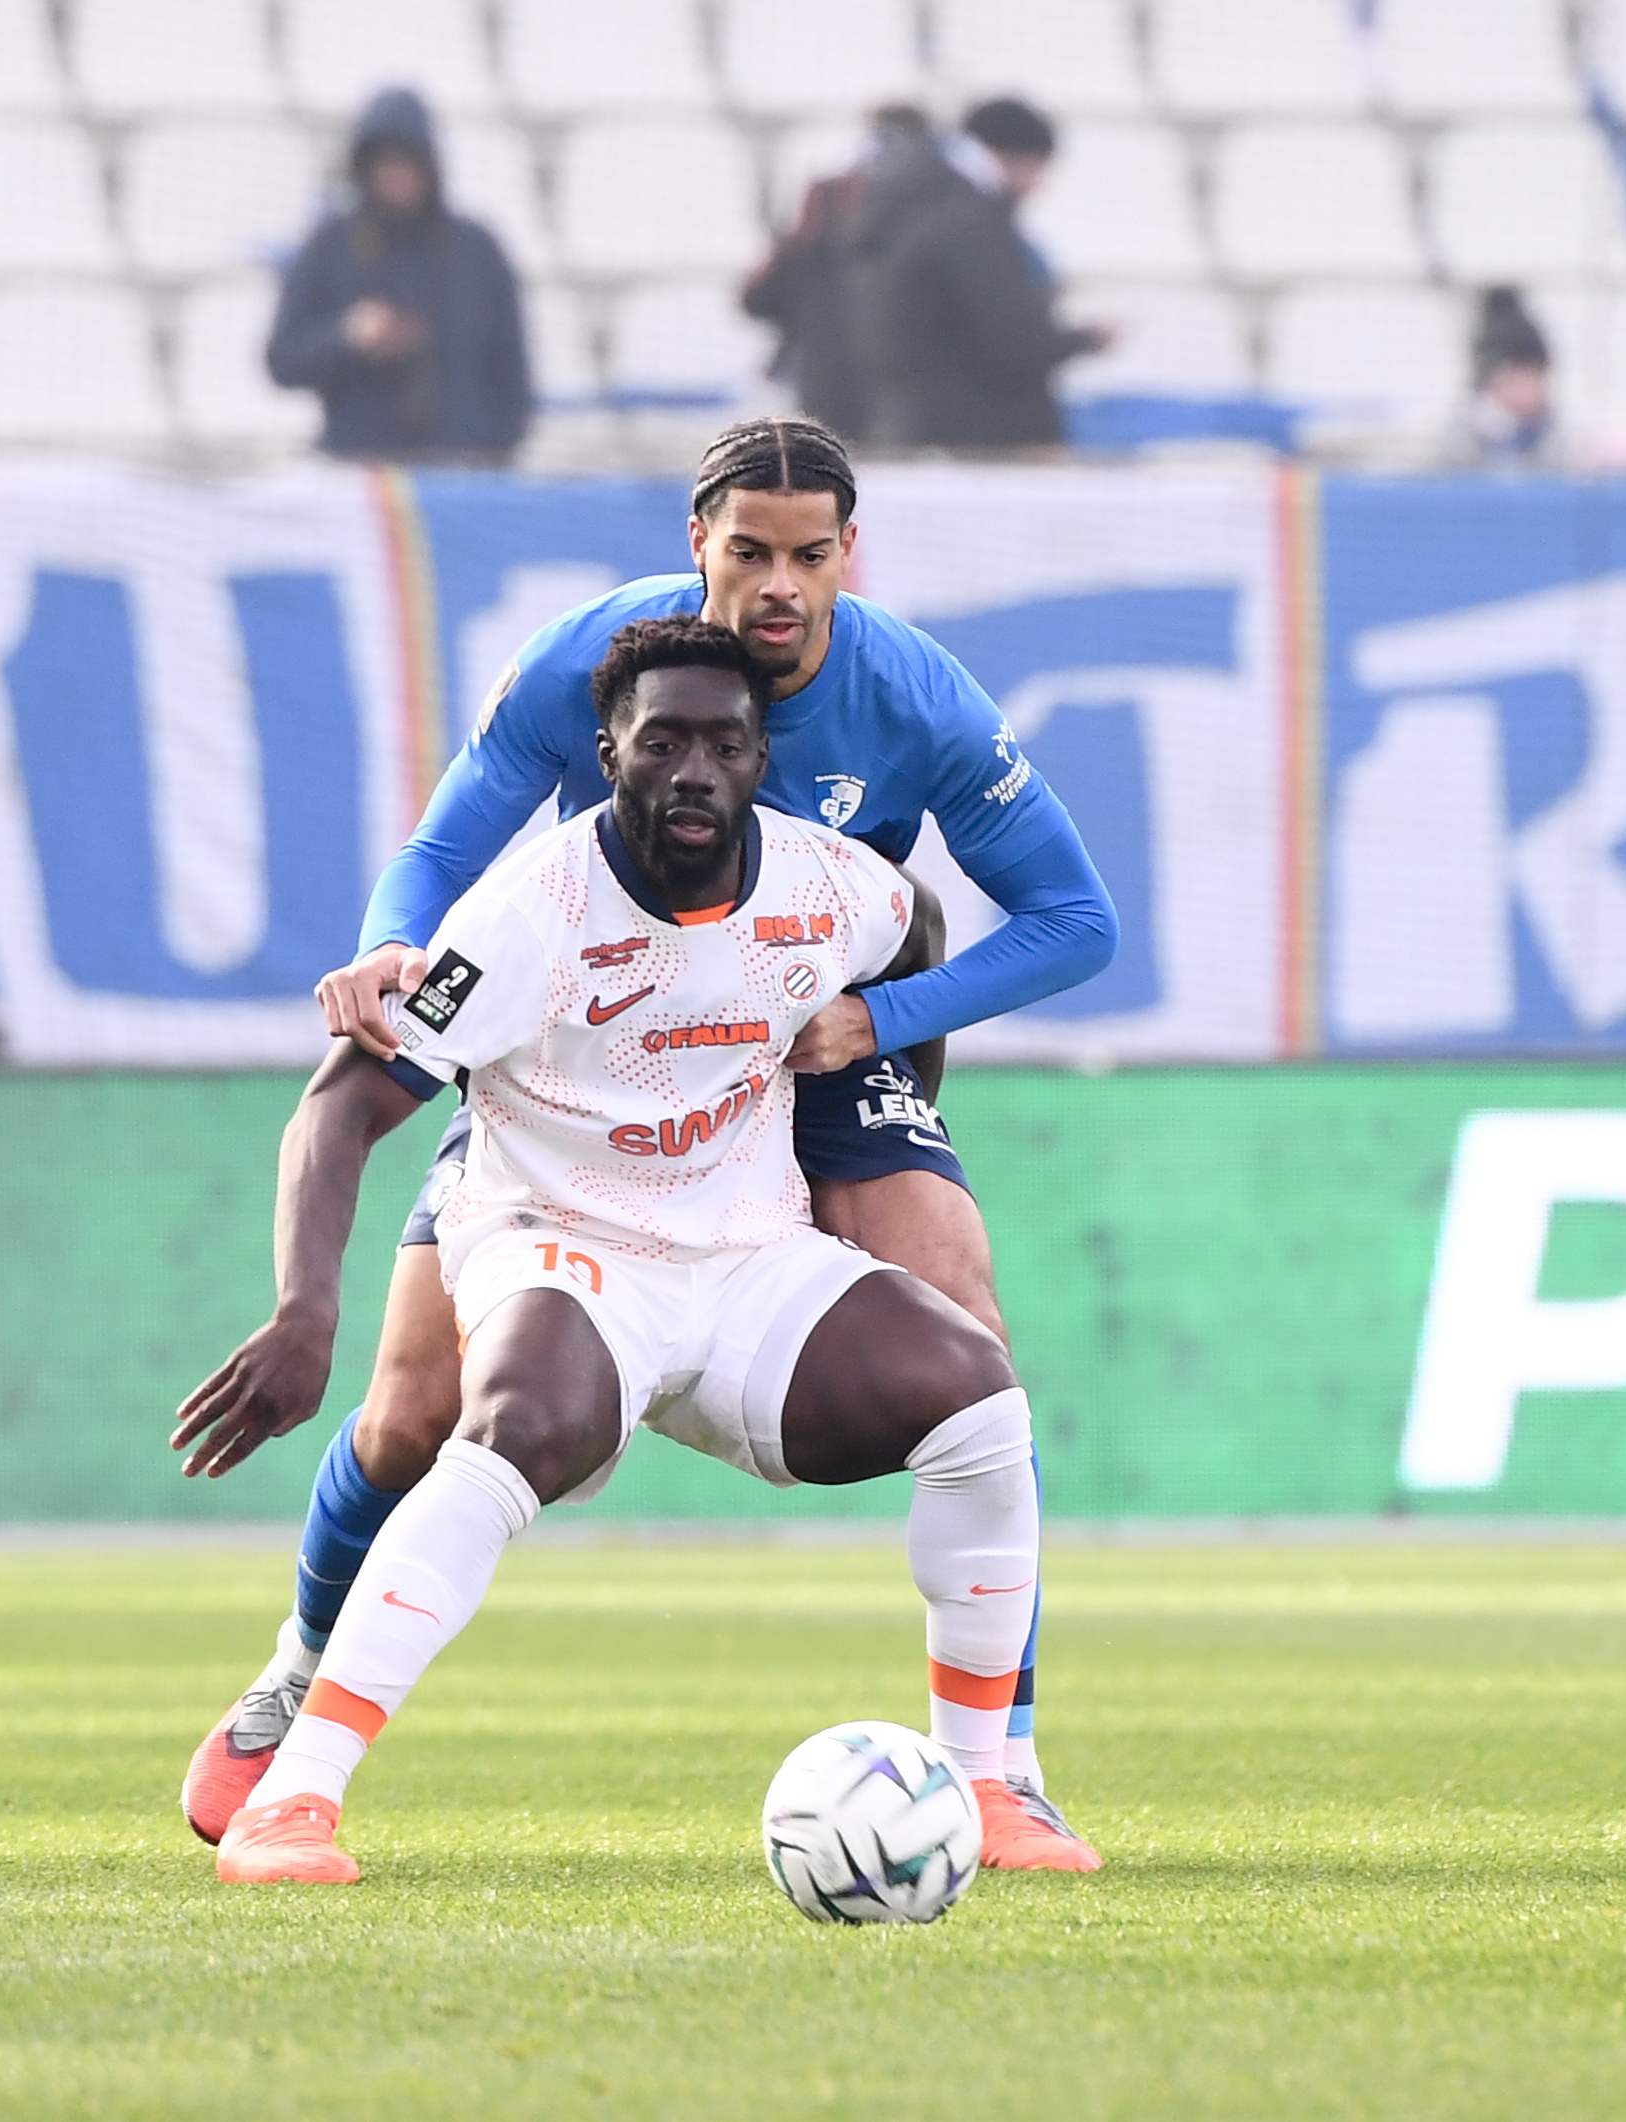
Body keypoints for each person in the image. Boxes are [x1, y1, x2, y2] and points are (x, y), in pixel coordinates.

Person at [168, 416, 1116, 1866]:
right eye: (749, 552)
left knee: (966, 1343)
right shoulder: (579, 702)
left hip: (797, 1039)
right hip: (573, 1062)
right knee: (417, 1415)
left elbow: (1056, 920)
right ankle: (298, 1685)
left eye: (809, 555)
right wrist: (390, 957)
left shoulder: (913, 704)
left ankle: (1002, 1769)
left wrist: (889, 1032)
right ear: (697, 546)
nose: (779, 585)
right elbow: (440, 850)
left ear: (848, 554)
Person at [266, 87, 532, 463]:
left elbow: (513, 375)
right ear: (363, 167)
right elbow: (282, 359)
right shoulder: (330, 248)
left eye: (407, 160)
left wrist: (488, 454)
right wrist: (346, 336)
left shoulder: (477, 252)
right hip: (362, 481)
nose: (396, 174)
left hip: (461, 479)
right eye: (384, 161)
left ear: (429, 165)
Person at [846, 97, 1108, 452]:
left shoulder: (912, 201)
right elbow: (1011, 340)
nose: (1040, 186)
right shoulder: (968, 222)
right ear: (1018, 157)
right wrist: (1083, 339)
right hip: (975, 438)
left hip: (912, 424)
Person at [740, 105, 932, 439]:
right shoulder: (931, 210)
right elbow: (758, 299)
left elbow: (758, 298)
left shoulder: (823, 209)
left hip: (836, 390)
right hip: (878, 393)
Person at [1465, 287, 1555, 463]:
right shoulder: (1471, 435)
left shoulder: (1553, 435)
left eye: (1535, 377)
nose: (1532, 389)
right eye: (1520, 378)